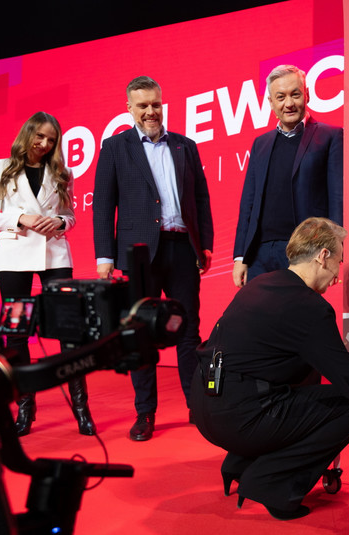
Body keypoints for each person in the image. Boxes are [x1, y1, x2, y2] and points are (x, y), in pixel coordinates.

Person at [191, 217, 349, 520]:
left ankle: (243, 463)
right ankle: (272, 484)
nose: (338, 276)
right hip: (241, 418)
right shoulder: (308, 306)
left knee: (306, 381)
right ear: (322, 256)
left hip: (206, 406)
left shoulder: (261, 283)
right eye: (339, 262)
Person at [93, 75, 214, 441]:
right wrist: (104, 256)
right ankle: (145, 412)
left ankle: (198, 408)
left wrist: (204, 244)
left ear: (163, 105)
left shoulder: (185, 146)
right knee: (141, 334)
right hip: (138, 255)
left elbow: (202, 200)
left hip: (181, 249)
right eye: (142, 105)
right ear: (129, 108)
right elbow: (103, 206)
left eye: (155, 105)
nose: (150, 111)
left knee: (188, 330)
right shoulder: (115, 148)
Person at [0, 111, 96, 437]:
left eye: (51, 140)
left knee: (70, 332)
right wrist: (21, 219)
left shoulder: (62, 172)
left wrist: (60, 223)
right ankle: (25, 409)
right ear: (27, 133)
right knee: (16, 334)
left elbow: (70, 216)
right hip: (13, 256)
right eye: (40, 137)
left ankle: (81, 408)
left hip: (55, 254)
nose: (44, 144)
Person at [232, 64, 343, 287]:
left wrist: (332, 253)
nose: (289, 103)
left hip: (305, 252)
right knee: (260, 320)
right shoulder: (260, 144)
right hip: (259, 255)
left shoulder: (330, 136)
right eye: (280, 97)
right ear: (271, 103)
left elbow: (337, 199)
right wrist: (241, 256)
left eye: (295, 94)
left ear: (307, 95)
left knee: (296, 318)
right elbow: (249, 203)